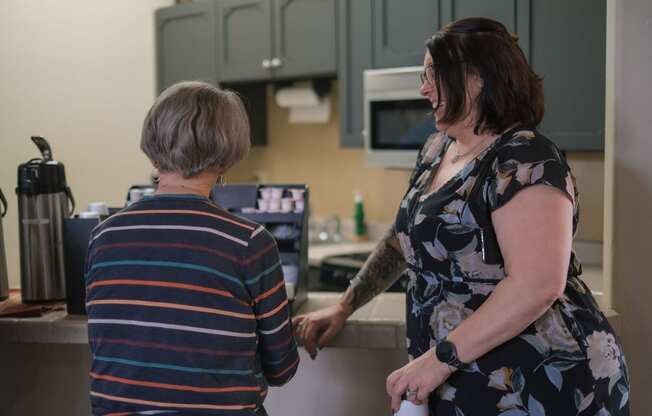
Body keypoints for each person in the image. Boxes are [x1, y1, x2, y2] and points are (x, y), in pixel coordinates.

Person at [293, 17, 629, 415]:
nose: (423, 87)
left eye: (434, 73)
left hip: (538, 381)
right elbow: (404, 240)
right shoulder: (438, 148)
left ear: (477, 79)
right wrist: (346, 305)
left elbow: (538, 284)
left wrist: (438, 360)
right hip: (460, 378)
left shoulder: (524, 156)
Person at [85, 81, 299, 415]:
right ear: (228, 155)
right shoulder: (249, 242)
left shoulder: (103, 236)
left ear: (151, 145)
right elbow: (282, 368)